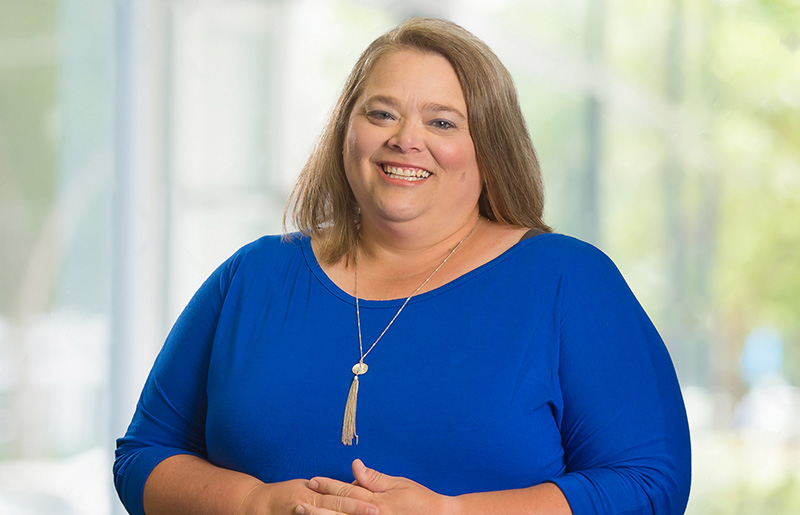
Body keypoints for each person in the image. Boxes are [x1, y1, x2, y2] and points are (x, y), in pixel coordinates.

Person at [114, 17, 691, 515]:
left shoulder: (569, 281)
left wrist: (453, 513)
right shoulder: (253, 277)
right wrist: (252, 504)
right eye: (382, 113)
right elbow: (143, 458)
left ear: (489, 147)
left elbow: (648, 485)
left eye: (442, 122)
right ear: (347, 131)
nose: (405, 139)